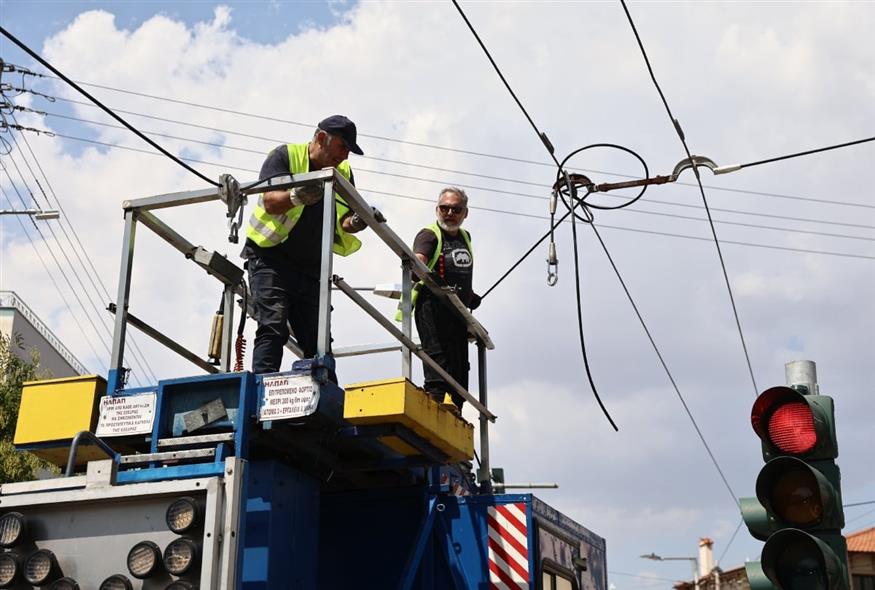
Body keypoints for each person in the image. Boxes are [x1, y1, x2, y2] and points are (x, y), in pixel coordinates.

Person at [242, 115, 369, 374]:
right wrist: (296, 195)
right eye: (342, 147)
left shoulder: (342, 172)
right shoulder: (285, 156)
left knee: (319, 341)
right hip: (271, 258)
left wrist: (357, 221)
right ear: (322, 138)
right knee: (272, 326)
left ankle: (324, 404)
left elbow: (344, 220)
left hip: (310, 270)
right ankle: (260, 397)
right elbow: (269, 201)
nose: (345, 157)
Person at [411, 187, 481, 414]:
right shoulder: (429, 234)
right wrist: (417, 266)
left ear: (465, 213)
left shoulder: (465, 237)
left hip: (457, 312)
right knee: (438, 364)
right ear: (437, 210)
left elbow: (457, 272)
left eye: (456, 209)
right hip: (432, 307)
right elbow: (418, 261)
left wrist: (469, 296)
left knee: (460, 370)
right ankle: (434, 412)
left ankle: (455, 413)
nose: (449, 213)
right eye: (444, 208)